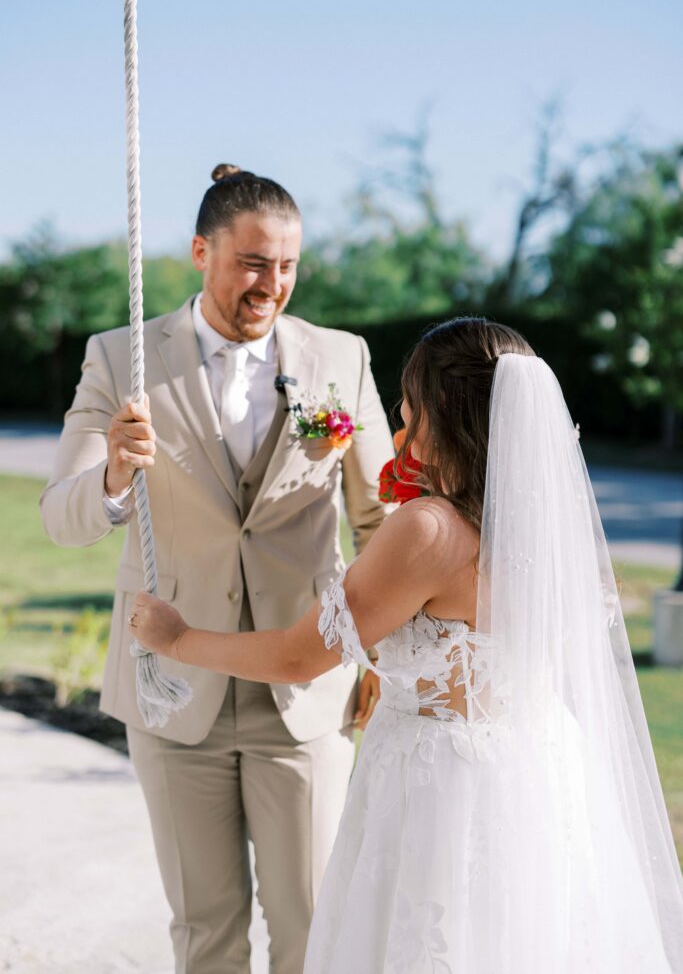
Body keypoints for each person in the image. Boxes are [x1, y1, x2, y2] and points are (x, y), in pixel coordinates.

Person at [131, 317, 683, 973]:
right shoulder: (547, 533)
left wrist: (179, 637)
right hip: (539, 779)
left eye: (407, 403)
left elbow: (297, 656)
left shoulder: (427, 530)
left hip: (436, 792)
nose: (399, 420)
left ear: (438, 412)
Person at [40, 164, 394, 974]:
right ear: (201, 252)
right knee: (205, 932)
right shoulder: (121, 358)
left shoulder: (342, 357)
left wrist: (384, 644)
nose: (272, 285)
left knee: (311, 927)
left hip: (301, 692)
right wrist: (113, 480)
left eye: (288, 265)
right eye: (252, 263)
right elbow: (61, 519)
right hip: (169, 690)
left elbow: (379, 520)